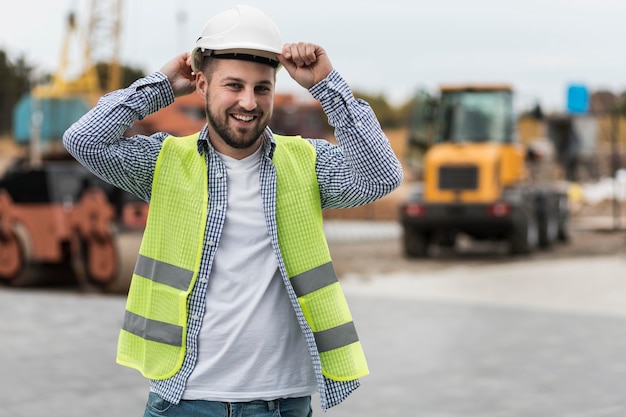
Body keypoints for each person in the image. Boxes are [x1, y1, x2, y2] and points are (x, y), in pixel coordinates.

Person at [63, 5, 402, 417]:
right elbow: (84, 140)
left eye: (262, 88)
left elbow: (380, 176)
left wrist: (327, 85)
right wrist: (161, 87)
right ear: (202, 85)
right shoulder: (164, 162)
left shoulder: (305, 163)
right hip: (186, 401)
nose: (248, 101)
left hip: (283, 403)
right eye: (234, 85)